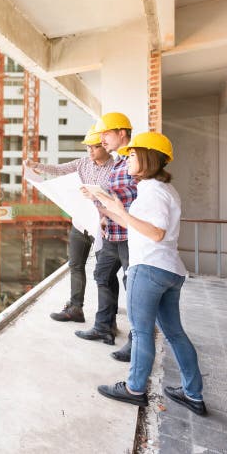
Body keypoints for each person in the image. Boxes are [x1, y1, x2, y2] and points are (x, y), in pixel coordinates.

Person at [94, 132, 206, 415]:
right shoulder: (161, 189)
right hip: (169, 270)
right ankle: (193, 394)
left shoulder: (153, 190)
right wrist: (108, 206)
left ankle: (134, 389)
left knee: (141, 332)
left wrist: (121, 210)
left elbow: (155, 233)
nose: (127, 158)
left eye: (131, 155)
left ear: (146, 157)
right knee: (175, 333)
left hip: (149, 268)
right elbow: (139, 225)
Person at [25, 122, 114, 323]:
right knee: (75, 265)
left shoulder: (115, 168)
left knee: (104, 274)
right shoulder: (83, 163)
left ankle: (106, 320)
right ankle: (75, 308)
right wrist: (35, 166)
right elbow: (58, 170)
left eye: (94, 147)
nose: (90, 151)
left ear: (104, 146)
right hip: (80, 223)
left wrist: (98, 200)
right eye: (88, 147)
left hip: (102, 225)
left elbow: (116, 197)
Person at [75, 113, 137, 360]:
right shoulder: (120, 162)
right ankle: (104, 327)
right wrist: (102, 213)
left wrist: (102, 199)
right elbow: (117, 196)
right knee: (102, 275)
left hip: (129, 234)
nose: (102, 140)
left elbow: (136, 198)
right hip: (112, 231)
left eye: (106, 134)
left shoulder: (135, 160)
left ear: (122, 133)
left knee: (132, 285)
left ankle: (137, 342)